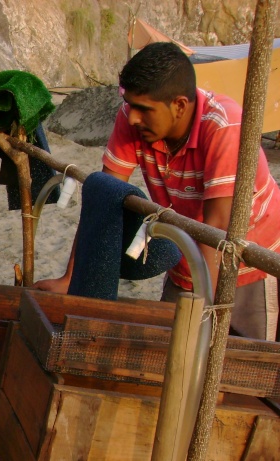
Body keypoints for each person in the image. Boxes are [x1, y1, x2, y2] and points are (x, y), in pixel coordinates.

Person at [35, 42, 280, 340]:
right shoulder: (133, 120)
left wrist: (205, 314)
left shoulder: (224, 128)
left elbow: (216, 229)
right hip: (186, 258)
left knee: (241, 369)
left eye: (144, 109)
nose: (134, 117)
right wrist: (71, 279)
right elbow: (102, 197)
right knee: (166, 358)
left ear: (179, 105)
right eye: (131, 105)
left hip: (246, 265)